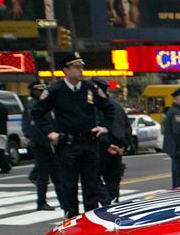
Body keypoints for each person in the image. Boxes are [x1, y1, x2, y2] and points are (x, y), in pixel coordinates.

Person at [31, 53, 115, 219]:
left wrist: (104, 127)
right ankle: (71, 220)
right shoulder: (55, 90)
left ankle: (91, 221)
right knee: (69, 186)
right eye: (76, 67)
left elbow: (108, 107)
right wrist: (50, 132)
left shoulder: (89, 88)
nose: (80, 70)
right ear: (66, 70)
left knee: (91, 186)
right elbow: (37, 112)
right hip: (67, 144)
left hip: (89, 142)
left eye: (81, 66)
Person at [24, 81, 62, 210]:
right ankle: (42, 201)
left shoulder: (46, 103)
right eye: (40, 91)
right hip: (42, 144)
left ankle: (62, 200)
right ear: (34, 92)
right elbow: (34, 127)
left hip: (50, 142)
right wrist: (48, 140)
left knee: (56, 174)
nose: (42, 93)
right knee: (44, 175)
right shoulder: (34, 106)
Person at [91, 78, 128, 206]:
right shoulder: (116, 105)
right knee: (113, 181)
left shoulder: (96, 106)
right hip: (117, 147)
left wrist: (106, 144)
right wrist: (124, 146)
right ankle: (113, 205)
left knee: (93, 178)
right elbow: (126, 126)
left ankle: (107, 204)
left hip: (102, 148)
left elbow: (96, 128)